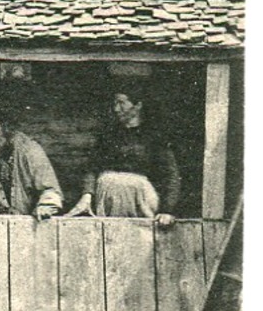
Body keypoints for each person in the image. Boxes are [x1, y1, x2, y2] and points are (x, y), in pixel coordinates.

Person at [66, 88, 182, 226]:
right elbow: (92, 168)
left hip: (141, 199)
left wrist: (167, 210)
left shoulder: (154, 137)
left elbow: (171, 175)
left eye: (121, 103)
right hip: (109, 199)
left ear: (138, 105)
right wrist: (87, 195)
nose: (116, 109)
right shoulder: (108, 136)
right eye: (115, 103)